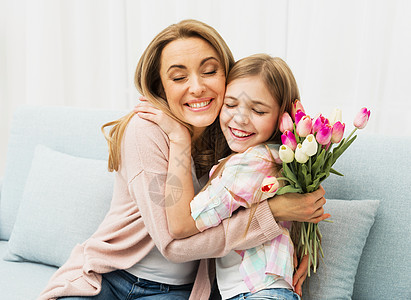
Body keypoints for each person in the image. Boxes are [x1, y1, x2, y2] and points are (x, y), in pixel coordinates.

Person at [39, 19, 328, 300]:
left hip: (178, 291)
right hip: (109, 278)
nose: (197, 87)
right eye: (179, 77)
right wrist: (272, 214)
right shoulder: (146, 130)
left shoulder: (233, 131)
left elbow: (279, 173)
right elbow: (173, 244)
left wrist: (298, 250)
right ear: (161, 86)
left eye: (210, 71)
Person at [135, 54, 309, 300]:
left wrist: (178, 136)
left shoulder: (251, 163)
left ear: (285, 117)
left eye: (258, 110)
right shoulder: (282, 160)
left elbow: (182, 225)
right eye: (230, 105)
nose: (240, 118)